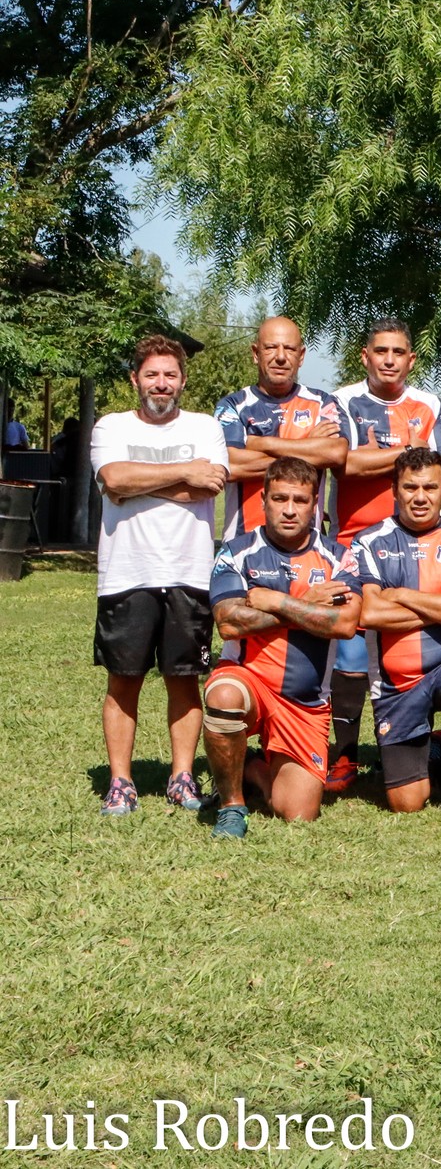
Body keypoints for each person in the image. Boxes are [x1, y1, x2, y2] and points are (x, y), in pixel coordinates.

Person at [90, 335, 231, 816]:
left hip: (188, 573)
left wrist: (140, 484)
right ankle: (121, 781)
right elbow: (113, 481)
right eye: (152, 374)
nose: (161, 383)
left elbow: (208, 486)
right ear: (135, 379)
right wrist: (182, 471)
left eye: (170, 374)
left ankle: (182, 777)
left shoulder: (205, 426)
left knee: (183, 680)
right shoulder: (110, 426)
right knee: (123, 681)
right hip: (126, 574)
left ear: (183, 381)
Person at [202, 458, 360, 836]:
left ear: (315, 504)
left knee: (297, 813)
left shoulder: (339, 558)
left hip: (303, 702)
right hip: (249, 682)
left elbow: (345, 623)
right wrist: (308, 602)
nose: (289, 509)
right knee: (224, 695)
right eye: (280, 498)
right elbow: (228, 623)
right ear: (263, 499)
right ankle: (231, 806)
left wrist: (277, 600)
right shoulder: (235, 552)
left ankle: (253, 766)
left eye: (300, 500)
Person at [327, 320, 441, 791]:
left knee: (411, 654)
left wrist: (385, 455)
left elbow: (440, 467)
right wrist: (408, 451)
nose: (389, 360)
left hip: (417, 544)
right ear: (365, 355)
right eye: (381, 350)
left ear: (411, 359)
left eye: (399, 352)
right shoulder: (341, 401)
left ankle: (415, 746)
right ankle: (344, 756)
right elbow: (344, 462)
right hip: (353, 542)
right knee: (352, 658)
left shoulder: (430, 404)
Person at [345, 448, 441, 826]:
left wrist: (400, 595)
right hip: (396, 684)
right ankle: (436, 750)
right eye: (410, 487)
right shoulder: (367, 542)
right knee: (407, 803)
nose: (420, 497)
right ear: (394, 489)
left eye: (430, 487)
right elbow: (369, 613)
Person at [213, 315, 345, 542]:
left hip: (308, 548)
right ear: (256, 353)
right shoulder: (232, 405)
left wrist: (259, 443)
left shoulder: (322, 402)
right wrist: (308, 447)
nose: (281, 357)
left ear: (301, 356)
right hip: (243, 545)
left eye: (290, 349)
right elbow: (231, 465)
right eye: (271, 348)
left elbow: (335, 453)